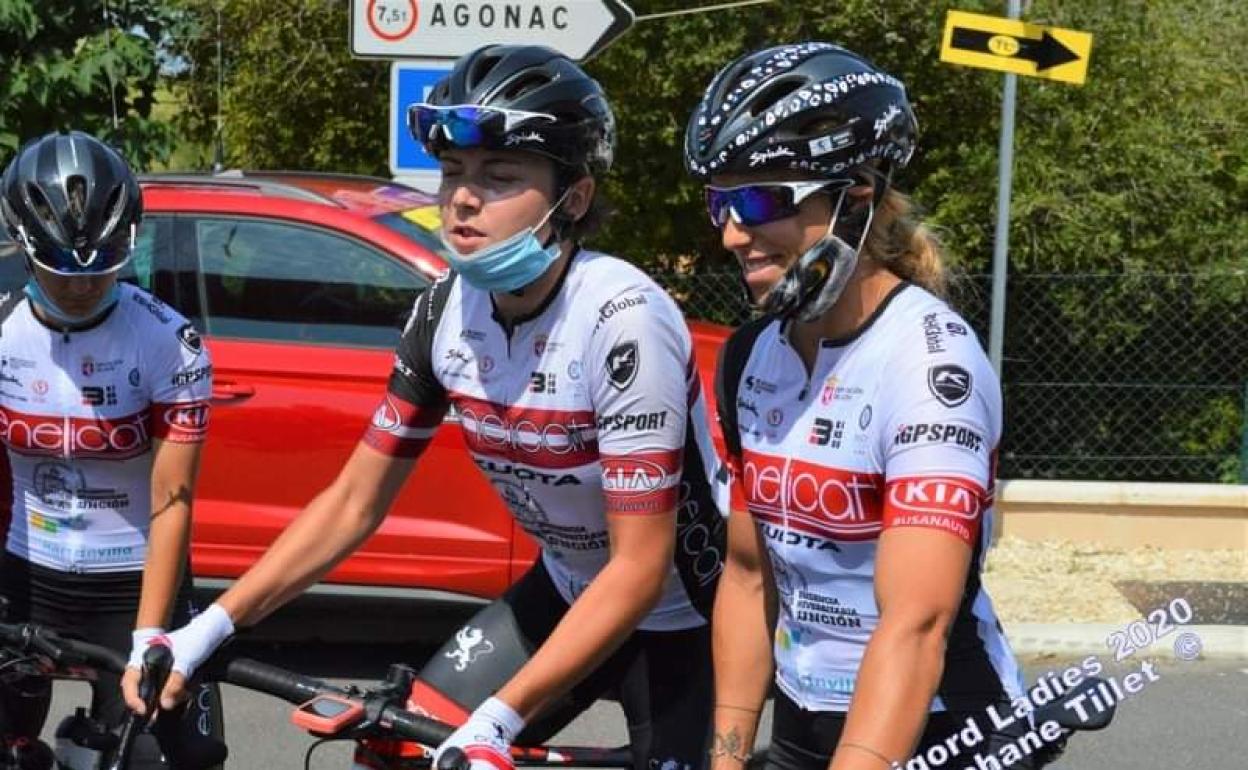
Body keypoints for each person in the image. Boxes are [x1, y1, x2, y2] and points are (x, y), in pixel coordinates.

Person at [156, 44, 727, 770]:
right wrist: (207, 629)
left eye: (499, 176)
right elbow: (354, 503)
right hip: (565, 584)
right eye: (454, 172)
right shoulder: (444, 312)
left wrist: (499, 718)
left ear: (573, 198)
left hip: (681, 615)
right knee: (399, 750)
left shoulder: (622, 317)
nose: (462, 196)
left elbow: (640, 570)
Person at [684, 43, 1042, 770]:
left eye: (758, 200)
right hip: (803, 716)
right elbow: (750, 576)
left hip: (942, 724)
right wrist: (724, 759)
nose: (730, 232)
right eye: (722, 202)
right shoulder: (753, 355)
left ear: (854, 197)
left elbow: (916, 624)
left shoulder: (930, 364)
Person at [0, 131, 219, 766]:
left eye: (99, 269)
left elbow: (173, 497)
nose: (79, 286)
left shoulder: (169, 342)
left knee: (169, 756)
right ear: (23, 245)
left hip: (133, 580)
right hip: (24, 572)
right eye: (59, 268)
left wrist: (152, 632)